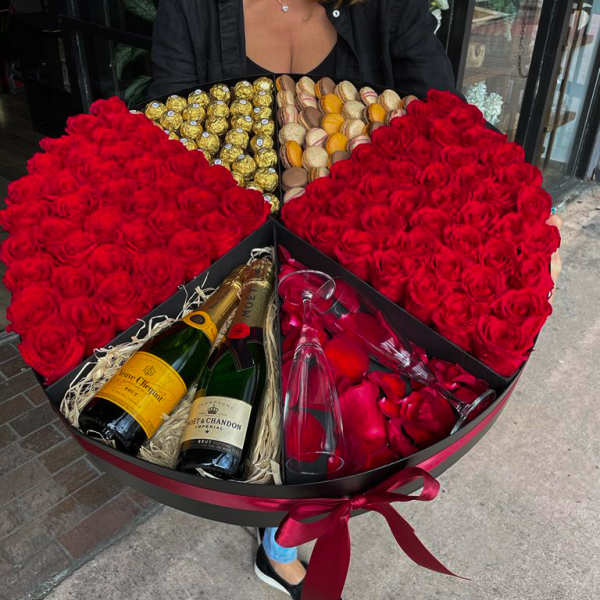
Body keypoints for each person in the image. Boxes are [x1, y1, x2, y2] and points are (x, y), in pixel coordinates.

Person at [149, 1, 562, 597]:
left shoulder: (388, 8)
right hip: (231, 264)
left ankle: (282, 539)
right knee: (257, 415)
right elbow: (166, 135)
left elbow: (449, 123)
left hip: (364, 264)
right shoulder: (190, 11)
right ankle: (278, 537)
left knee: (341, 420)